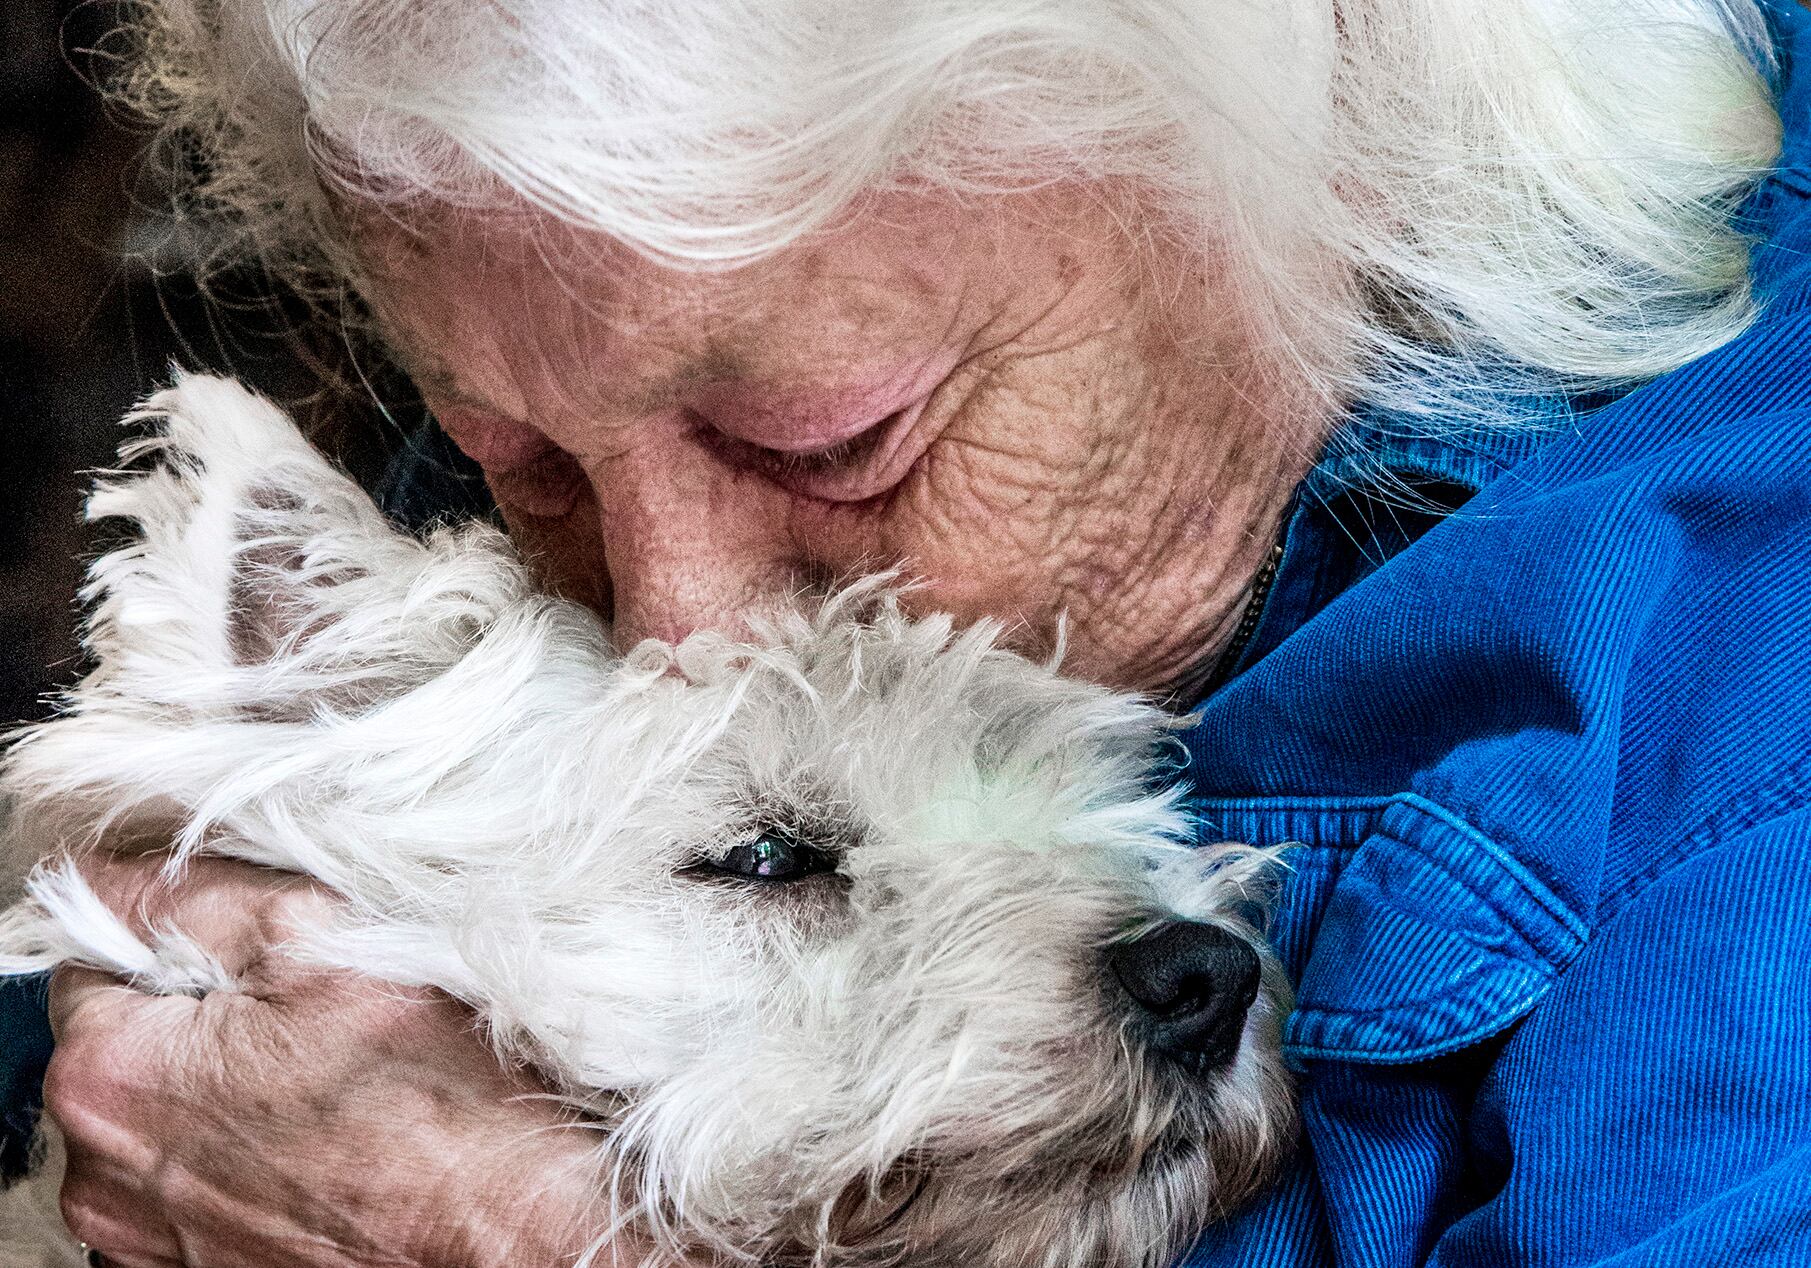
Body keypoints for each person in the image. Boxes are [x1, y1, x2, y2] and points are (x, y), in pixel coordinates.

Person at [8, 0, 1811, 1264]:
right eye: (519, 464)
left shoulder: (1746, 702)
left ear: (1321, 159)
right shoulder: (642, 364)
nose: (676, 618)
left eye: (834, 439)